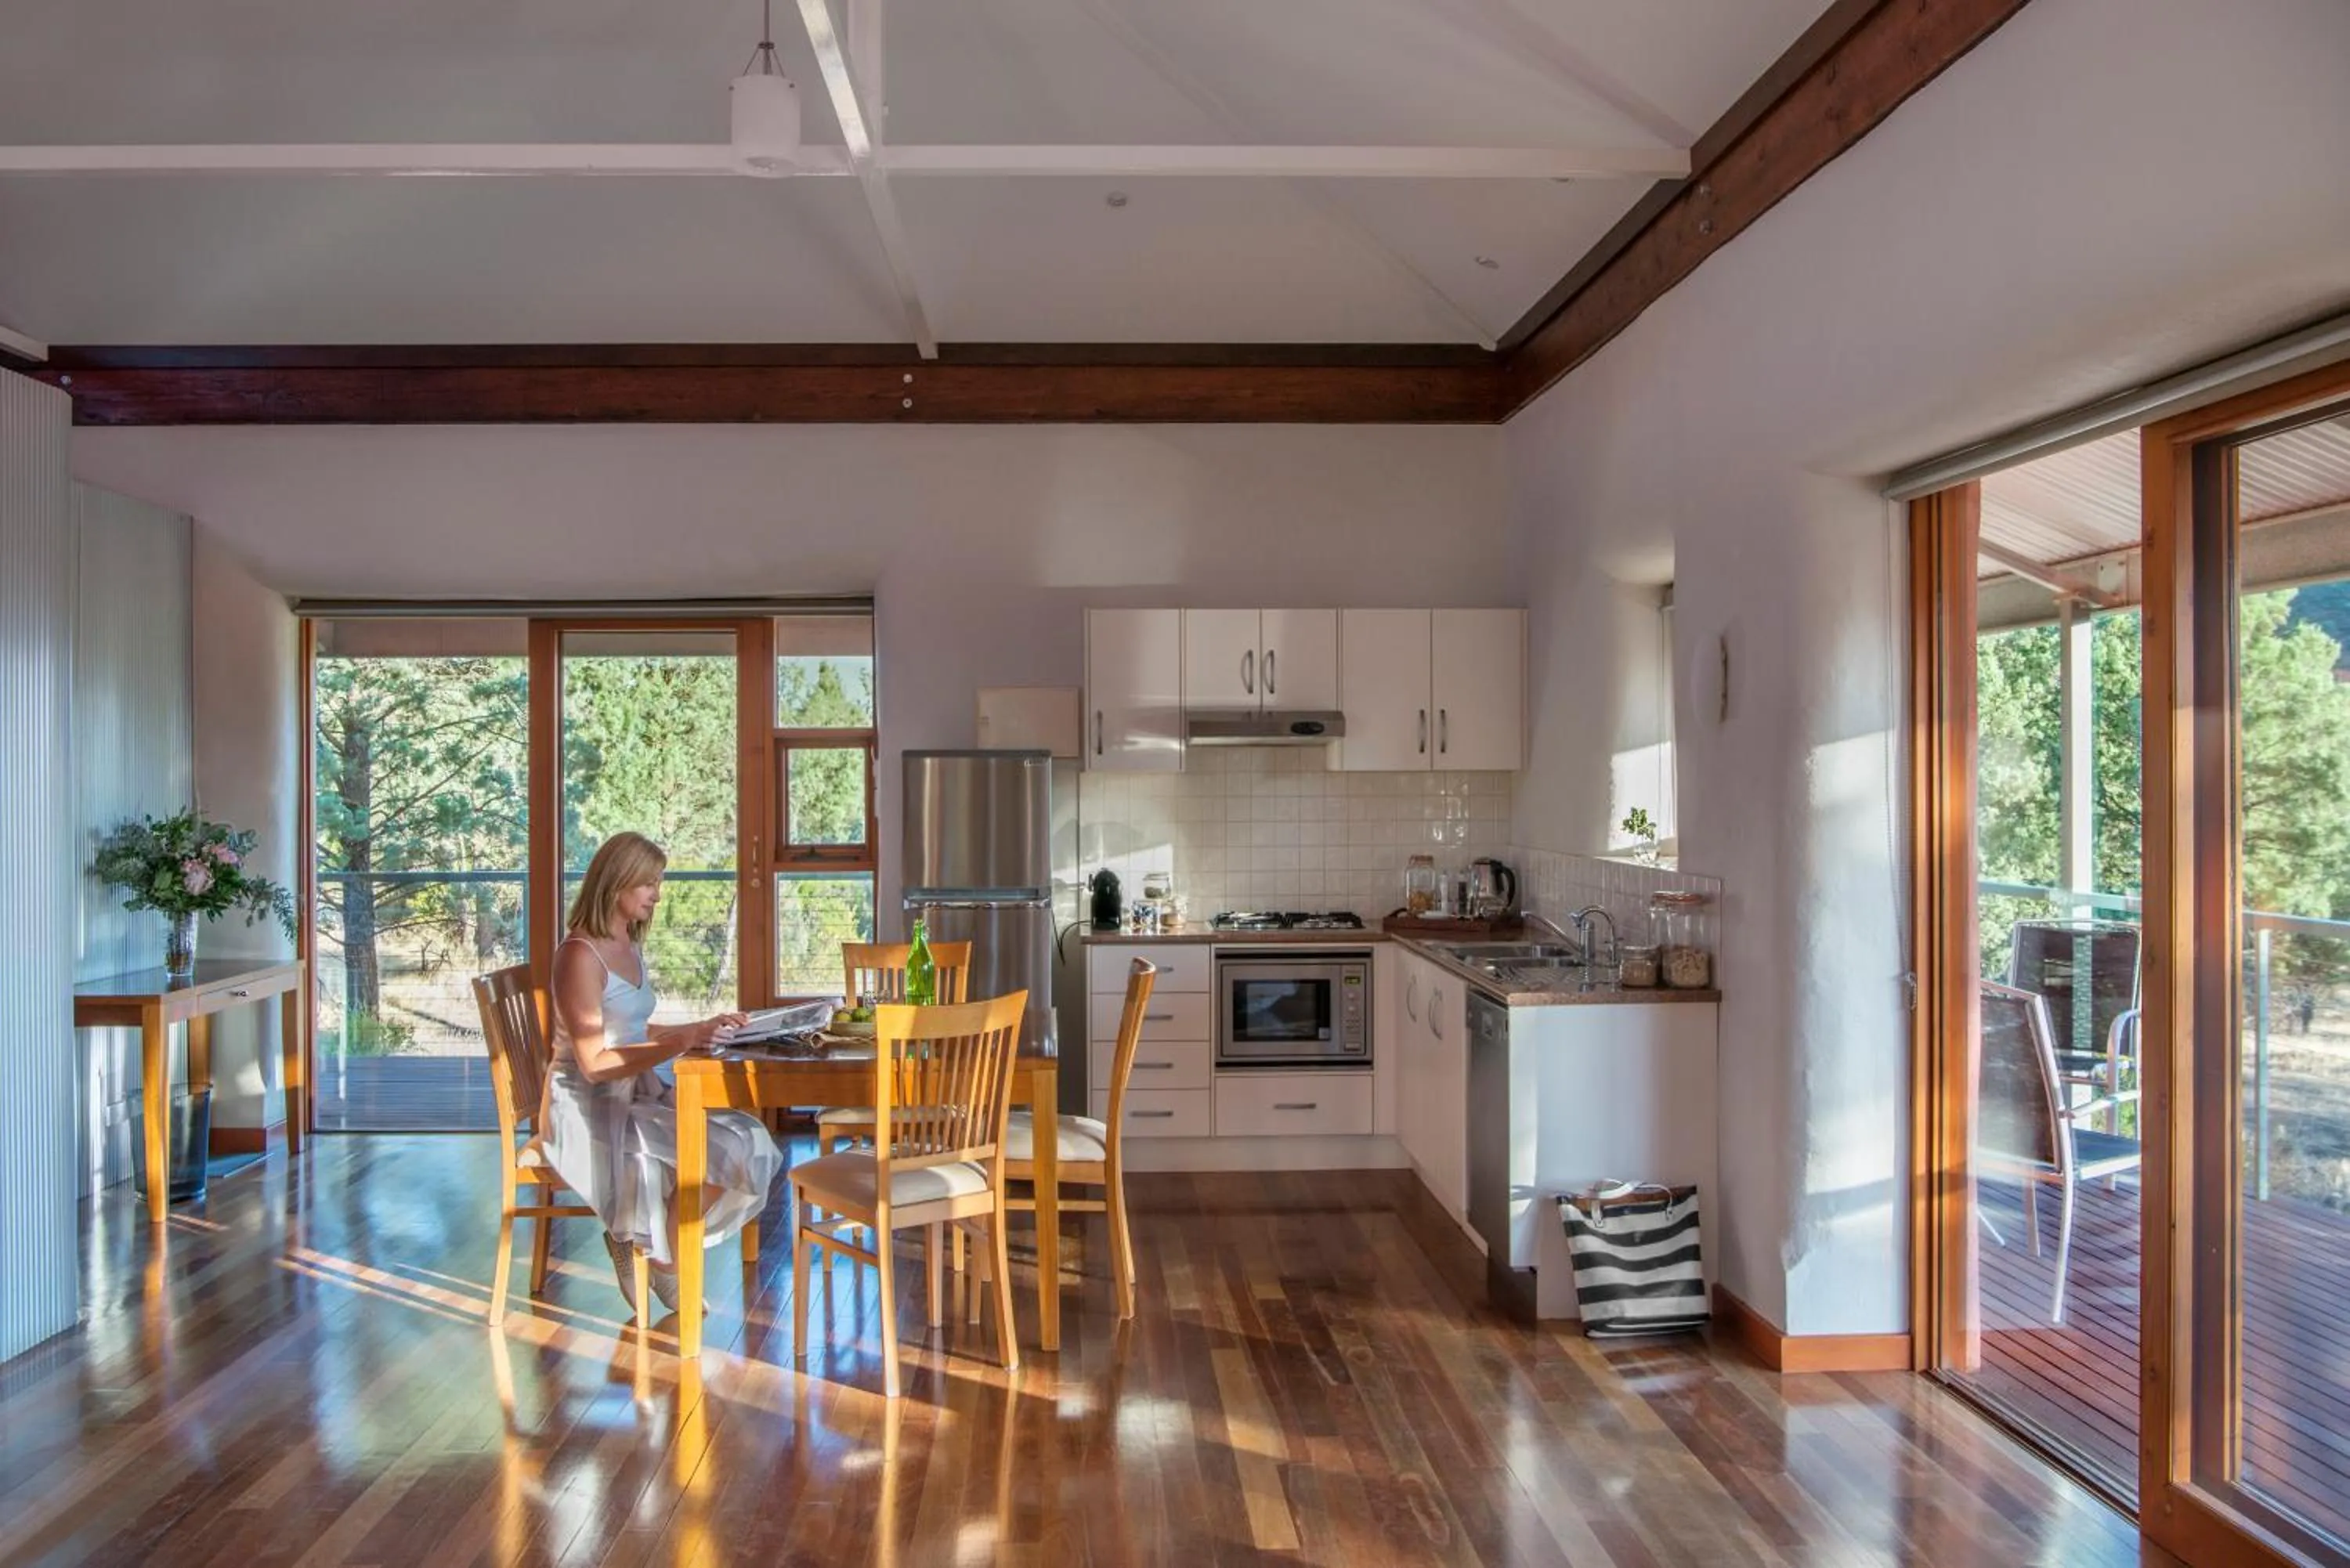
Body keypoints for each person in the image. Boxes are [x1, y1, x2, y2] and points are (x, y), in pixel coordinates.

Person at [541, 831, 783, 1315]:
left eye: (658, 882)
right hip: (588, 1105)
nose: (658, 893)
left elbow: (633, 1025)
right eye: (649, 884)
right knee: (716, 1148)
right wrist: (681, 1042)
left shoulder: (626, 942)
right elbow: (593, 1064)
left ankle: (653, 1253)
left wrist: (701, 1027)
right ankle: (661, 1262)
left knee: (746, 1139)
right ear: (617, 884)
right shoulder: (578, 955)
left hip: (635, 1089)